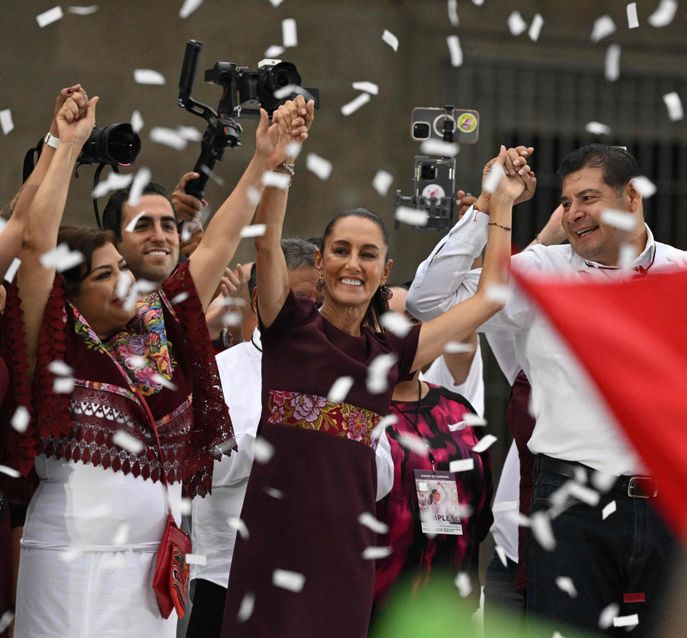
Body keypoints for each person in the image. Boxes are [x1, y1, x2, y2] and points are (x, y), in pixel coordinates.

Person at [0, 85, 309, 637]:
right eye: (103, 274)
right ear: (68, 297)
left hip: (153, 566)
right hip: (70, 557)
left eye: (121, 267)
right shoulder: (49, 342)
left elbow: (217, 243)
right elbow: (34, 245)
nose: (124, 280)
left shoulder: (159, 326)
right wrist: (66, 145)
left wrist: (264, 158)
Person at [407, 143, 687, 636]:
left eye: (588, 198)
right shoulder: (543, 273)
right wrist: (488, 206)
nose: (574, 214)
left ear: (631, 196)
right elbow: (427, 300)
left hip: (670, 508)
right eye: (566, 203)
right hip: (568, 504)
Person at [219, 144, 530, 637]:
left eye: (368, 255)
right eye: (341, 251)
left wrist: (503, 203)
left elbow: (491, 295)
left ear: (385, 271)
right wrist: (280, 161)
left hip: (347, 560)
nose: (353, 265)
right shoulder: (289, 328)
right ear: (319, 263)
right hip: (271, 553)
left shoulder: (392, 352)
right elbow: (266, 244)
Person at [187, 237, 393, 638]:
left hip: (321, 580)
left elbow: (381, 479)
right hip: (229, 580)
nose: (309, 313)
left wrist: (339, 444)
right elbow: (202, 466)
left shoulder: (354, 371)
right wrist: (282, 432)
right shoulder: (220, 371)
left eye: (317, 300)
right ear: (264, 298)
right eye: (296, 299)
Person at [371, 285, 493, 616]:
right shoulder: (354, 411)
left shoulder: (457, 412)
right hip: (376, 609)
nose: (403, 332)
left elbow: (478, 512)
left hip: (450, 608)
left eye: (414, 320)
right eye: (388, 321)